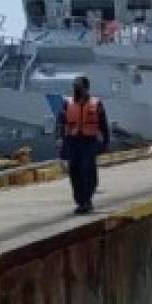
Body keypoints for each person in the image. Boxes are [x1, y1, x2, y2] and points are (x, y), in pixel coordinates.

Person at [56, 75, 109, 214]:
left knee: (87, 169)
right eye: (75, 87)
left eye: (79, 87)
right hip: (72, 142)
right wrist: (59, 139)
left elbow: (103, 125)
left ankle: (87, 199)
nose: (76, 90)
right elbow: (60, 123)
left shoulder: (96, 103)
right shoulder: (67, 103)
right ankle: (80, 201)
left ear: (86, 88)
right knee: (74, 170)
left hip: (89, 142)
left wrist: (106, 142)